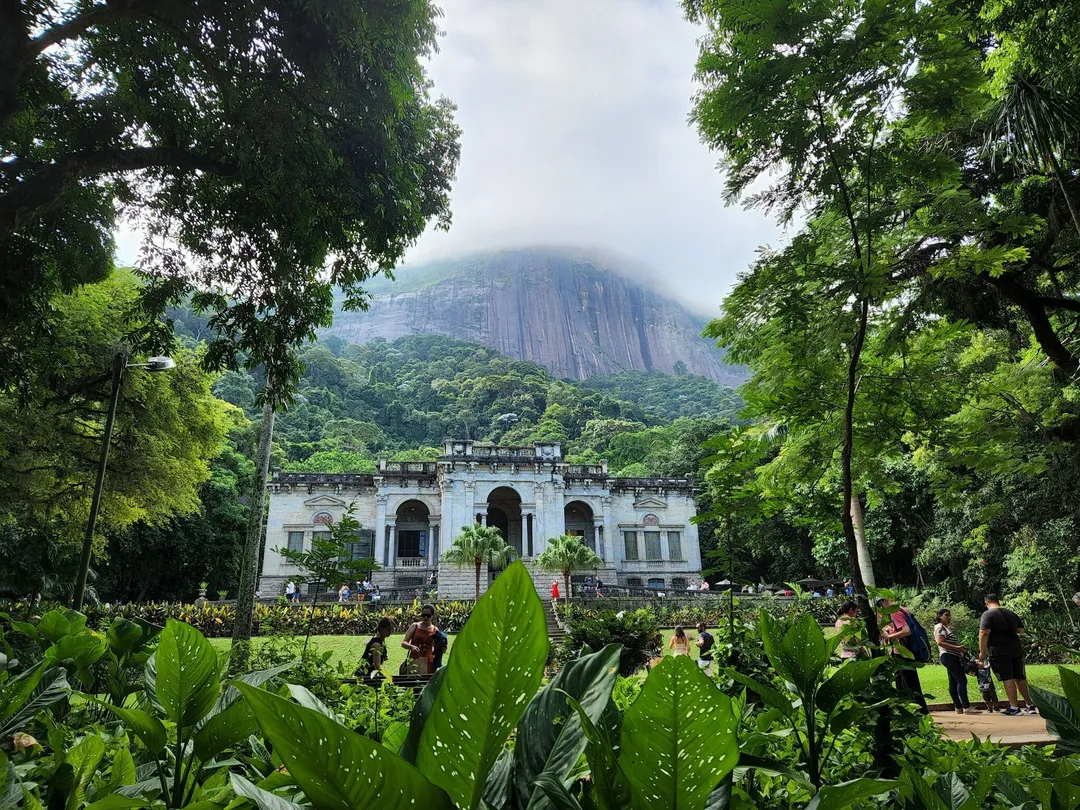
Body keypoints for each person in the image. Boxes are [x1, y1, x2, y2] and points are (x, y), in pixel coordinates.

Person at [978, 594, 1035, 716]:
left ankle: (1014, 707)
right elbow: (1021, 630)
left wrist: (982, 651)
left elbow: (984, 632)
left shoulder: (987, 614)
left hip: (999, 650)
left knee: (1007, 677)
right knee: (1019, 677)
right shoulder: (1010, 613)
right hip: (1015, 648)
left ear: (986, 603)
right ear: (998, 601)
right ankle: (1030, 705)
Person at [881, 597, 929, 714]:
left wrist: (889, 637)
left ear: (883, 601)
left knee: (906, 685)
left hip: (903, 652)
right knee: (911, 683)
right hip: (908, 651)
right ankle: (918, 711)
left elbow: (907, 631)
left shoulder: (895, 612)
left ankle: (917, 712)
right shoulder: (903, 609)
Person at [934, 608, 978, 714]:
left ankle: (958, 707)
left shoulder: (944, 628)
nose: (949, 617)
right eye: (946, 615)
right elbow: (940, 642)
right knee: (962, 680)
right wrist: (957, 648)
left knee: (953, 682)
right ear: (940, 616)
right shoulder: (940, 628)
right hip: (949, 656)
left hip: (949, 657)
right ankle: (966, 706)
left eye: (949, 615)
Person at [402, 604, 438, 675]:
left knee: (427, 683)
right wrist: (411, 647)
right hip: (415, 659)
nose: (425, 618)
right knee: (413, 681)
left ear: (432, 616)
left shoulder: (435, 630)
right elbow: (403, 642)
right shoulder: (415, 626)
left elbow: (437, 647)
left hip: (429, 661)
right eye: (423, 615)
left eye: (428, 616)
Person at [357, 617, 394, 681]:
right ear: (381, 628)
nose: (390, 632)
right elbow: (377, 667)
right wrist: (388, 678)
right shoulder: (376, 644)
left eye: (391, 630)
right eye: (388, 630)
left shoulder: (379, 640)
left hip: (369, 674)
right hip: (366, 676)